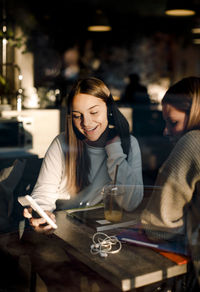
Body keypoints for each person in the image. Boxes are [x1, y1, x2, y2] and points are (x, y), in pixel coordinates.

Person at [22, 77, 143, 291]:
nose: (86, 123)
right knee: (68, 281)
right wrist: (43, 212)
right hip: (59, 235)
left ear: (109, 109)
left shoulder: (128, 144)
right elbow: (43, 194)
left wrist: (114, 151)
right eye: (77, 116)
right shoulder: (62, 143)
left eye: (94, 112)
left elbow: (131, 202)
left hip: (99, 234)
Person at [140, 76, 200, 289]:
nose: (165, 131)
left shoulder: (192, 142)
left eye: (172, 122)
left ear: (194, 113)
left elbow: (158, 225)